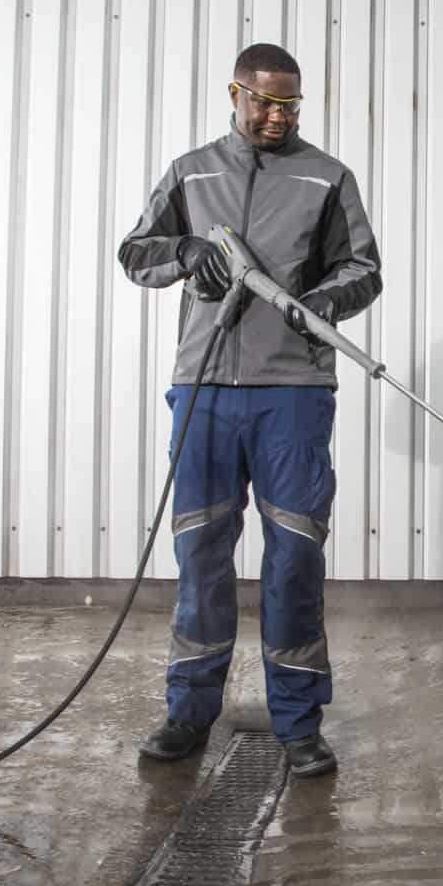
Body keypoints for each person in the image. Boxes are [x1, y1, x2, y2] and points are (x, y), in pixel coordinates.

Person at [118, 43, 382, 777]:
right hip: (203, 390)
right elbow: (136, 252)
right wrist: (185, 251)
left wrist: (319, 301)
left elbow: (364, 269)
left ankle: (298, 722)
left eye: (290, 105)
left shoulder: (327, 177)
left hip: (293, 392)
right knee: (200, 550)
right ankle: (187, 712)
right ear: (234, 94)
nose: (277, 116)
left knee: (294, 553)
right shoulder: (191, 172)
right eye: (264, 101)